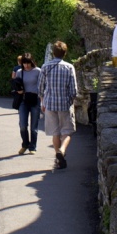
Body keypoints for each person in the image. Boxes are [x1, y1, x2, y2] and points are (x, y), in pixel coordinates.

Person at [38, 40, 77, 170]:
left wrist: (43, 102)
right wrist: (71, 102)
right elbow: (73, 90)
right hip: (65, 104)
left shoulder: (45, 67)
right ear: (65, 53)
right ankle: (62, 150)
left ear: (53, 52)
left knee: (55, 132)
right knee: (67, 131)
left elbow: (40, 88)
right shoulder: (69, 67)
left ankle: (58, 158)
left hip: (50, 104)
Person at [14, 53, 41, 155]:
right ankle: (25, 144)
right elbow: (16, 85)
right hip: (23, 101)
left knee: (34, 127)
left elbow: (42, 85)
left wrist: (42, 99)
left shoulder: (38, 71)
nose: (26, 65)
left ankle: (32, 147)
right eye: (24, 63)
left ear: (32, 62)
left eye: (28, 63)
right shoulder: (20, 72)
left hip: (35, 100)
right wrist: (18, 91)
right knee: (22, 125)